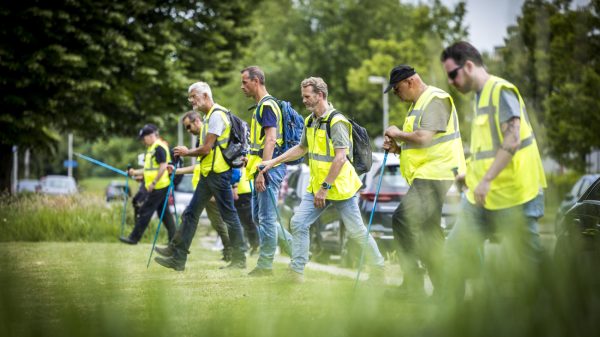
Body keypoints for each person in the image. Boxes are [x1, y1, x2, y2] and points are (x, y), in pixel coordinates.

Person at [440, 41, 547, 300]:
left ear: (468, 65)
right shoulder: (480, 98)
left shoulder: (500, 91)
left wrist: (486, 179)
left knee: (531, 266)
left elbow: (512, 140)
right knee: (453, 253)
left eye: (453, 74)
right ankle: (452, 320)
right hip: (481, 198)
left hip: (515, 195)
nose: (451, 82)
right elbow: (489, 149)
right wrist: (471, 175)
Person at [260, 77, 385, 283]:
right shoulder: (310, 121)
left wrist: (325, 188)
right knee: (298, 223)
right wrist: (273, 162)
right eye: (303, 97)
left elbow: (340, 157)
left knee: (356, 231)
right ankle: (295, 272)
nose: (304, 101)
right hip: (318, 186)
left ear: (320, 95)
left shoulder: (337, 122)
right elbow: (301, 149)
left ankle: (378, 268)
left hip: (339, 188)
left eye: (307, 96)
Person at [382, 65, 466, 297]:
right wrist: (398, 148)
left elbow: (424, 138)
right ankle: (449, 291)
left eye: (397, 89)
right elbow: (416, 146)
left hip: (437, 173)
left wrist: (396, 132)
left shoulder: (436, 99)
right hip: (429, 173)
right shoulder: (417, 105)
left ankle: (413, 285)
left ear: (410, 82)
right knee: (431, 233)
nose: (397, 95)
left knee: (402, 220)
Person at [154, 81, 247, 271]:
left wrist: (186, 152)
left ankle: (239, 259)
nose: (191, 101)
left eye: (193, 96)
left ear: (205, 95)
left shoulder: (216, 116)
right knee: (190, 214)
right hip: (208, 174)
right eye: (190, 97)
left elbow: (206, 149)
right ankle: (178, 259)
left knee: (229, 217)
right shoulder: (208, 117)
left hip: (219, 174)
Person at [154, 111, 233, 262]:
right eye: (186, 129)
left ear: (197, 121)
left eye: (189, 127)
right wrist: (177, 171)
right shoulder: (201, 140)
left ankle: (175, 248)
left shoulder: (209, 137)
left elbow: (216, 162)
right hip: (204, 186)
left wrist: (187, 153)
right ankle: (230, 251)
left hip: (212, 186)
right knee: (216, 223)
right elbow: (198, 166)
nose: (188, 131)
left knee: (199, 218)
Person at [240, 66, 292, 276]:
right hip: (261, 167)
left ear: (257, 81)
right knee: (259, 217)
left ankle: (265, 265)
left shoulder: (268, 106)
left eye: (245, 82)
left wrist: (263, 171)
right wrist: (251, 159)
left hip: (269, 169)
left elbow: (271, 139)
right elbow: (262, 142)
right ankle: (298, 250)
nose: (242, 86)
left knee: (267, 219)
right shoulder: (261, 106)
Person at [119, 124, 176, 244]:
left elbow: (163, 166)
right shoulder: (152, 148)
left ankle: (134, 238)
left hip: (159, 186)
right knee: (164, 213)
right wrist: (134, 172)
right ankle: (175, 240)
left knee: (145, 210)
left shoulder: (159, 147)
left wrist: (154, 182)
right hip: (156, 186)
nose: (143, 141)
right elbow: (149, 169)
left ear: (150, 136)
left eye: (143, 138)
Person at [232, 166, 260, 255]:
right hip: (243, 194)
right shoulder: (242, 167)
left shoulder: (241, 167)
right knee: (246, 223)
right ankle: (252, 245)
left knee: (248, 222)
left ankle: (255, 246)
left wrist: (235, 188)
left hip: (243, 194)